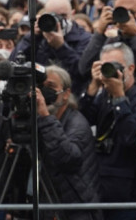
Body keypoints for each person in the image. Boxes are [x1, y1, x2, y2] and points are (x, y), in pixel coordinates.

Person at [79, 42, 136, 220]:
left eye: (115, 66)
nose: (110, 72)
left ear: (131, 68)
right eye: (105, 67)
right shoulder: (104, 95)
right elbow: (82, 120)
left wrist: (120, 98)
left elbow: (132, 137)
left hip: (128, 191)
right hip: (99, 185)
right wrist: (92, 89)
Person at [35, 66, 102, 220]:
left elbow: (68, 159)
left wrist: (45, 116)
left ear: (66, 94)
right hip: (48, 205)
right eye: (41, 87)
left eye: (51, 87)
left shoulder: (77, 123)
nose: (45, 93)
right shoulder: (38, 120)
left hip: (75, 208)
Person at [11, 0, 91, 95]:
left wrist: (61, 47)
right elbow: (14, 64)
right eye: (53, 16)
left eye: (63, 16)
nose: (58, 21)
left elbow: (82, 73)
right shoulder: (38, 37)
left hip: (70, 96)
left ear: (72, 14)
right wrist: (32, 37)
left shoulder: (85, 39)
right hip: (38, 94)